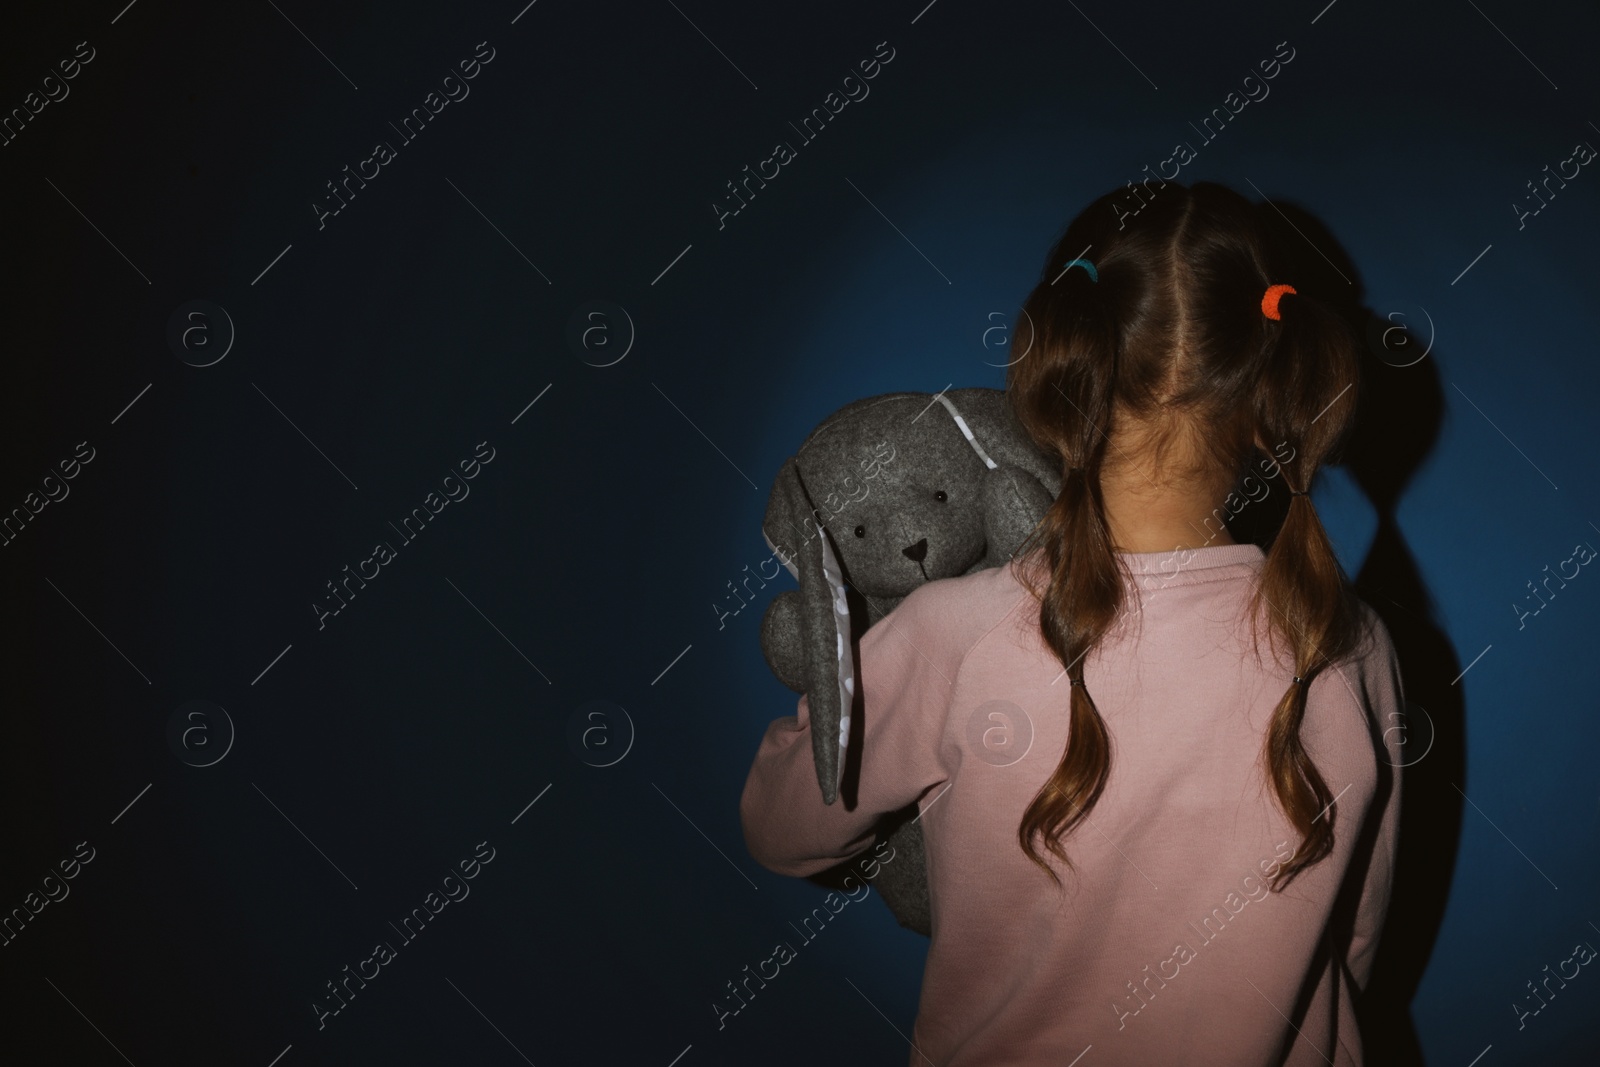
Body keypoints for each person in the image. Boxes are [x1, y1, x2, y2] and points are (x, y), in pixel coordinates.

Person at [739, 180, 1405, 1065]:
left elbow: (782, 831)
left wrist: (849, 661)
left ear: (1063, 367)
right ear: (1271, 387)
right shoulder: (1353, 645)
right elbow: (1358, 936)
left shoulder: (953, 632)